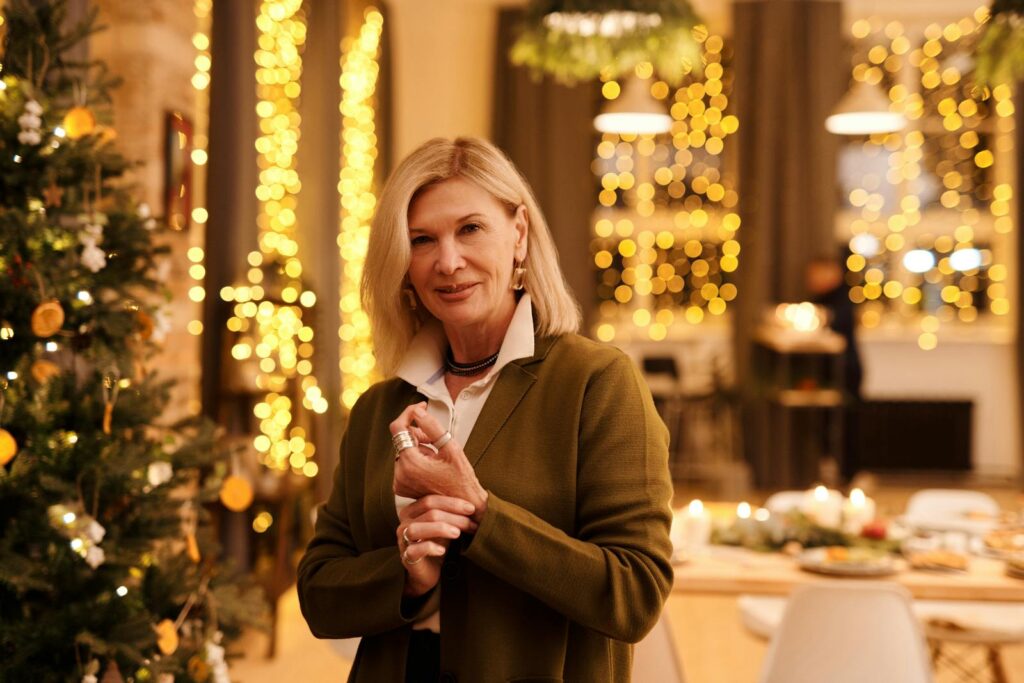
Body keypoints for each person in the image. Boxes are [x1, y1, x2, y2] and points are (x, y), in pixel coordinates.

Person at [297, 137, 674, 682]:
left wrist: (480, 515)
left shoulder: (597, 383)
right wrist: (407, 577)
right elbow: (318, 593)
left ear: (518, 233)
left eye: (470, 229)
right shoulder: (380, 407)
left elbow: (634, 595)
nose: (447, 262)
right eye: (422, 239)